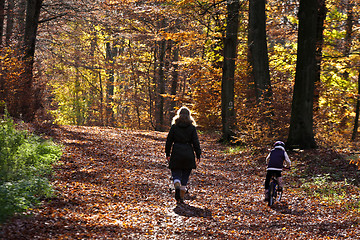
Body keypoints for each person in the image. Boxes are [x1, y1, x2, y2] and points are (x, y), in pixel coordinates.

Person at [165, 106, 201, 203]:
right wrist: (198, 154)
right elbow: (196, 142)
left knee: (176, 171)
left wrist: (167, 153)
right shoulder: (192, 128)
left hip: (176, 151)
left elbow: (169, 141)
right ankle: (181, 194)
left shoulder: (174, 127)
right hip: (188, 152)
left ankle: (176, 182)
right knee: (186, 173)